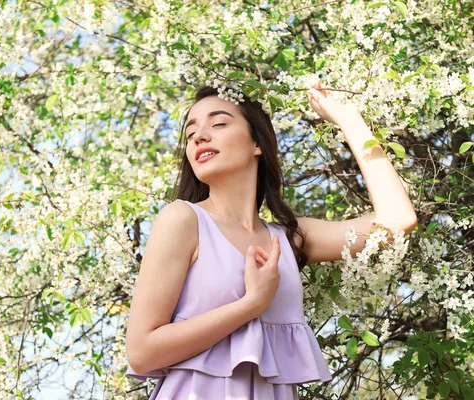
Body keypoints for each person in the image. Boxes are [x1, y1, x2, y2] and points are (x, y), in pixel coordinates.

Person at [124, 83, 418, 399]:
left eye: (219, 123)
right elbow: (142, 352)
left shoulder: (289, 239)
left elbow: (397, 221)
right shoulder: (182, 219)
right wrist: (251, 304)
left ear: (257, 143)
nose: (199, 136)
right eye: (191, 130)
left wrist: (349, 120)